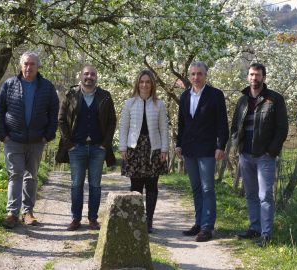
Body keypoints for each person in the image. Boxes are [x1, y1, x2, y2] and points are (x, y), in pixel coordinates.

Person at [0, 51, 59, 229]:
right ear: (20, 66)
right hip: (13, 139)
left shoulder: (47, 87)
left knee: (31, 176)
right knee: (15, 174)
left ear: (38, 67)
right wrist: (3, 135)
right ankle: (12, 213)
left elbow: (54, 112)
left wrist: (48, 135)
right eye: (25, 64)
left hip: (37, 140)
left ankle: (28, 212)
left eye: (32, 64)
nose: (28, 67)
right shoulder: (10, 85)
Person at [230, 63, 288, 247]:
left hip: (264, 156)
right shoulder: (242, 100)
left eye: (257, 75)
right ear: (247, 77)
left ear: (264, 77)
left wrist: (271, 151)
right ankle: (255, 228)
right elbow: (235, 126)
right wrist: (236, 147)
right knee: (251, 194)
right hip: (245, 154)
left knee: (265, 196)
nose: (254, 78)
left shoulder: (274, 99)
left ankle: (266, 234)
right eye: (251, 74)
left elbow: (282, 128)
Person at [56, 65, 116, 231]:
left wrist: (105, 144)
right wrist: (69, 144)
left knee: (95, 185)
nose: (89, 77)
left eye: (93, 74)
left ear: (96, 77)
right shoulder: (70, 95)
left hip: (98, 148)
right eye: (86, 74)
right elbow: (61, 120)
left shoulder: (105, 96)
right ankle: (75, 219)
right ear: (81, 76)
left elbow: (112, 121)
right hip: (77, 148)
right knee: (76, 184)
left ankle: (92, 219)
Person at [176, 61, 229, 242]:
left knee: (207, 188)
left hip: (207, 149)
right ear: (189, 76)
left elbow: (222, 123)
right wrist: (178, 144)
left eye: (199, 74)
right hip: (189, 149)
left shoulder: (215, 95)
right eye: (193, 74)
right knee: (196, 188)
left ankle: (207, 227)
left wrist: (221, 146)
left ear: (205, 75)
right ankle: (198, 223)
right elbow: (181, 123)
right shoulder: (184, 96)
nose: (196, 77)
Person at [119, 70, 169, 233]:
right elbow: (124, 127)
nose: (144, 85)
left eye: (148, 82)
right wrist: (123, 147)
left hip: (154, 148)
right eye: (142, 82)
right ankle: (136, 219)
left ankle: (149, 222)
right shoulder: (129, 103)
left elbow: (163, 128)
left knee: (152, 185)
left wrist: (164, 149)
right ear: (137, 83)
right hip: (134, 148)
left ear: (152, 84)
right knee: (136, 186)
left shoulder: (159, 104)